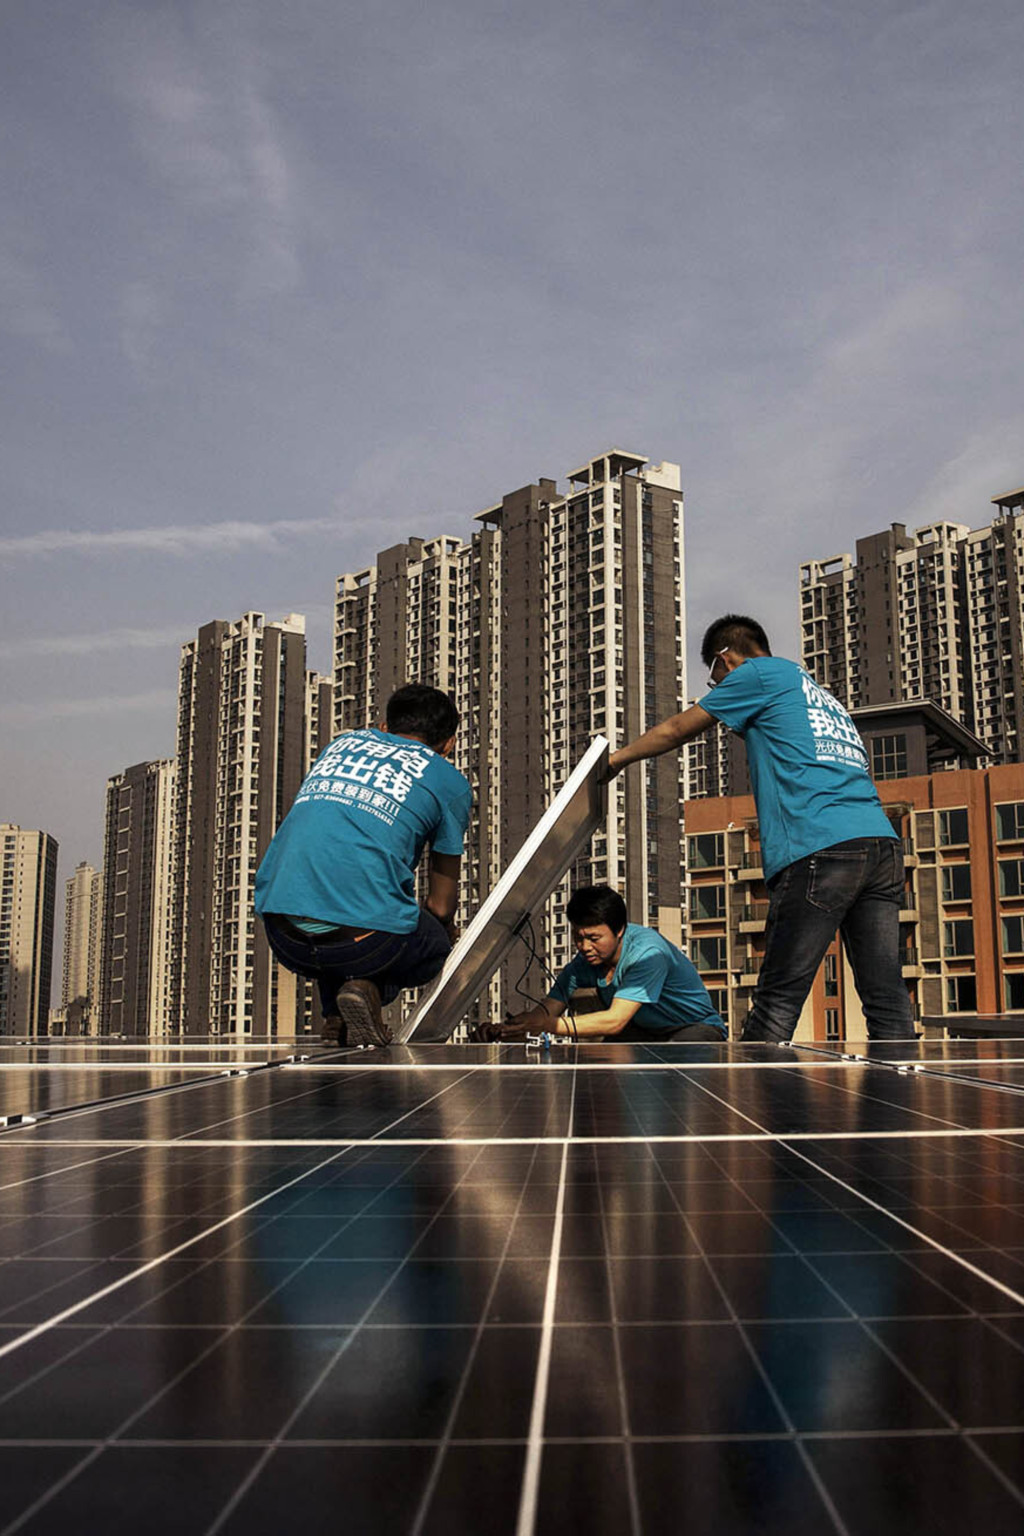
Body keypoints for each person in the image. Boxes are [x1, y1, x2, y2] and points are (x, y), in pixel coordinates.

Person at [605, 614, 915, 1044]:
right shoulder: (817, 696)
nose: (719, 693)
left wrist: (615, 760)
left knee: (777, 998)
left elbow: (677, 729)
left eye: (716, 682)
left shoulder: (758, 673)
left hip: (820, 847)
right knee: (885, 995)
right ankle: (899, 1103)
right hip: (880, 845)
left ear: (725, 659)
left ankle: (753, 1108)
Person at [255, 683, 472, 1048]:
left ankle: (337, 1016)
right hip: (363, 944)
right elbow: (441, 905)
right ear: (449, 744)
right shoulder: (449, 781)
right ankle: (368, 988)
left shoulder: (339, 746)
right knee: (433, 941)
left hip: (281, 929)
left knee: (343, 908)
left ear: (384, 727)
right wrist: (442, 932)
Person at [489, 884, 726, 1043]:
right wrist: (510, 1028)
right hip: (642, 1031)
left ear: (619, 930)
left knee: (670, 1063)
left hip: (694, 1029)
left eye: (594, 938)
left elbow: (614, 1021)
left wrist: (548, 1025)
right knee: (602, 1065)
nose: (584, 946)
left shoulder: (648, 954)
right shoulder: (584, 962)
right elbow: (546, 1011)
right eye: (578, 938)